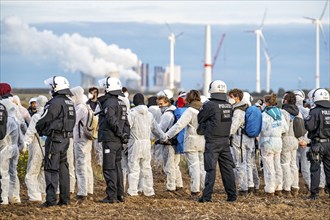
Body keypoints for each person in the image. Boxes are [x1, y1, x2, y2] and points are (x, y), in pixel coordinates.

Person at [36, 76, 76, 207]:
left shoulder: (54, 102)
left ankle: (51, 200)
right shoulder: (69, 102)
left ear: (56, 87)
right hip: (66, 140)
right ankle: (65, 200)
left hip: (55, 140)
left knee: (51, 169)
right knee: (64, 168)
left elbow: (44, 119)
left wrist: (40, 129)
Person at [197, 80, 237, 202]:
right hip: (225, 141)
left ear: (212, 90)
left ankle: (207, 197)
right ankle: (232, 196)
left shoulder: (209, 105)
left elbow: (200, 118)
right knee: (227, 169)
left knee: (210, 169)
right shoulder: (228, 105)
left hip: (212, 141)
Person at [166, 90, 206, 196]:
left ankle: (195, 189)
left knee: (194, 166)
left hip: (192, 141)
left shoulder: (190, 110)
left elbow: (179, 125)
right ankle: (204, 187)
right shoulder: (203, 109)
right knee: (202, 166)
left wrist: (167, 135)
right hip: (203, 140)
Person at [127, 93, 166, 196]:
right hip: (146, 144)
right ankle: (149, 191)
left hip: (135, 143)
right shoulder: (149, 114)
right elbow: (156, 128)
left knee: (134, 168)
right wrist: (164, 137)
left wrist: (123, 140)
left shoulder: (132, 113)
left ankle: (133, 191)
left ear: (134, 102)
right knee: (146, 168)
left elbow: (127, 128)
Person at [98, 77, 130, 203]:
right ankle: (120, 194)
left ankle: (111, 196)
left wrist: (120, 134)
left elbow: (112, 120)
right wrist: (125, 135)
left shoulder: (109, 103)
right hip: (118, 141)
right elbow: (126, 122)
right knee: (117, 167)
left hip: (111, 139)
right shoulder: (121, 103)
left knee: (109, 167)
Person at [259, 93, 288, 196]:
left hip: (267, 142)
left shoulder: (265, 114)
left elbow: (262, 128)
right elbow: (285, 128)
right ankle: (279, 187)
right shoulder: (280, 113)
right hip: (278, 142)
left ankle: (270, 189)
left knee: (268, 167)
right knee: (277, 165)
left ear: (266, 103)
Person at [228, 89, 255, 196]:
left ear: (236, 97)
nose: (229, 99)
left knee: (239, 163)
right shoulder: (245, 107)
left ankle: (243, 188)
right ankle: (250, 185)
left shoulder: (238, 111)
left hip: (239, 139)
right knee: (248, 163)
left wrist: (226, 134)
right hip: (247, 138)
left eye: (230, 96)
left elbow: (234, 127)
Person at [305, 88, 330, 200]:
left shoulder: (314, 111)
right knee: (329, 168)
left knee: (315, 169)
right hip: (329, 144)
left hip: (318, 144)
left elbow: (309, 127)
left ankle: (314, 194)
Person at [156, 89, 183, 192]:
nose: (160, 106)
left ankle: (171, 186)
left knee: (169, 165)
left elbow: (160, 129)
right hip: (176, 142)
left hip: (168, 143)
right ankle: (179, 184)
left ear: (168, 101)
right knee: (176, 164)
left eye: (161, 103)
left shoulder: (167, 114)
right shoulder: (175, 110)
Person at [71, 86, 94, 202]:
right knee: (87, 165)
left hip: (81, 140)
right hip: (87, 139)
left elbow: (73, 122)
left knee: (80, 166)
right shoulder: (87, 106)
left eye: (72, 95)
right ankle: (89, 189)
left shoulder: (80, 108)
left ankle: (82, 192)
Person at [24, 95, 48, 202]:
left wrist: (25, 144)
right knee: (43, 172)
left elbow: (30, 132)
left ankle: (35, 196)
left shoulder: (36, 117)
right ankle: (43, 194)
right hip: (47, 148)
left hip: (36, 147)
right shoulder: (49, 115)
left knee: (31, 173)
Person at [0, 99, 24, 205]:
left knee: (4, 174)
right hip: (15, 149)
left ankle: (3, 198)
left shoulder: (6, 120)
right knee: (13, 173)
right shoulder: (16, 120)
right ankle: (15, 196)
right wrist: (22, 147)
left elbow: (3, 137)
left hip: (6, 149)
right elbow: (21, 138)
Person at [281, 91, 301, 197]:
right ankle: (295, 186)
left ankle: (287, 188)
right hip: (295, 140)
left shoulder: (284, 112)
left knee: (285, 164)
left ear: (286, 100)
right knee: (293, 164)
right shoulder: (298, 111)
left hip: (286, 139)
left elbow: (283, 128)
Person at [87, 87, 103, 167]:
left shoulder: (100, 104)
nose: (91, 94)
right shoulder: (86, 104)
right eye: (90, 92)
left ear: (96, 94)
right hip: (88, 129)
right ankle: (91, 164)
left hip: (98, 129)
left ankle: (99, 164)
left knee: (98, 148)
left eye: (93, 92)